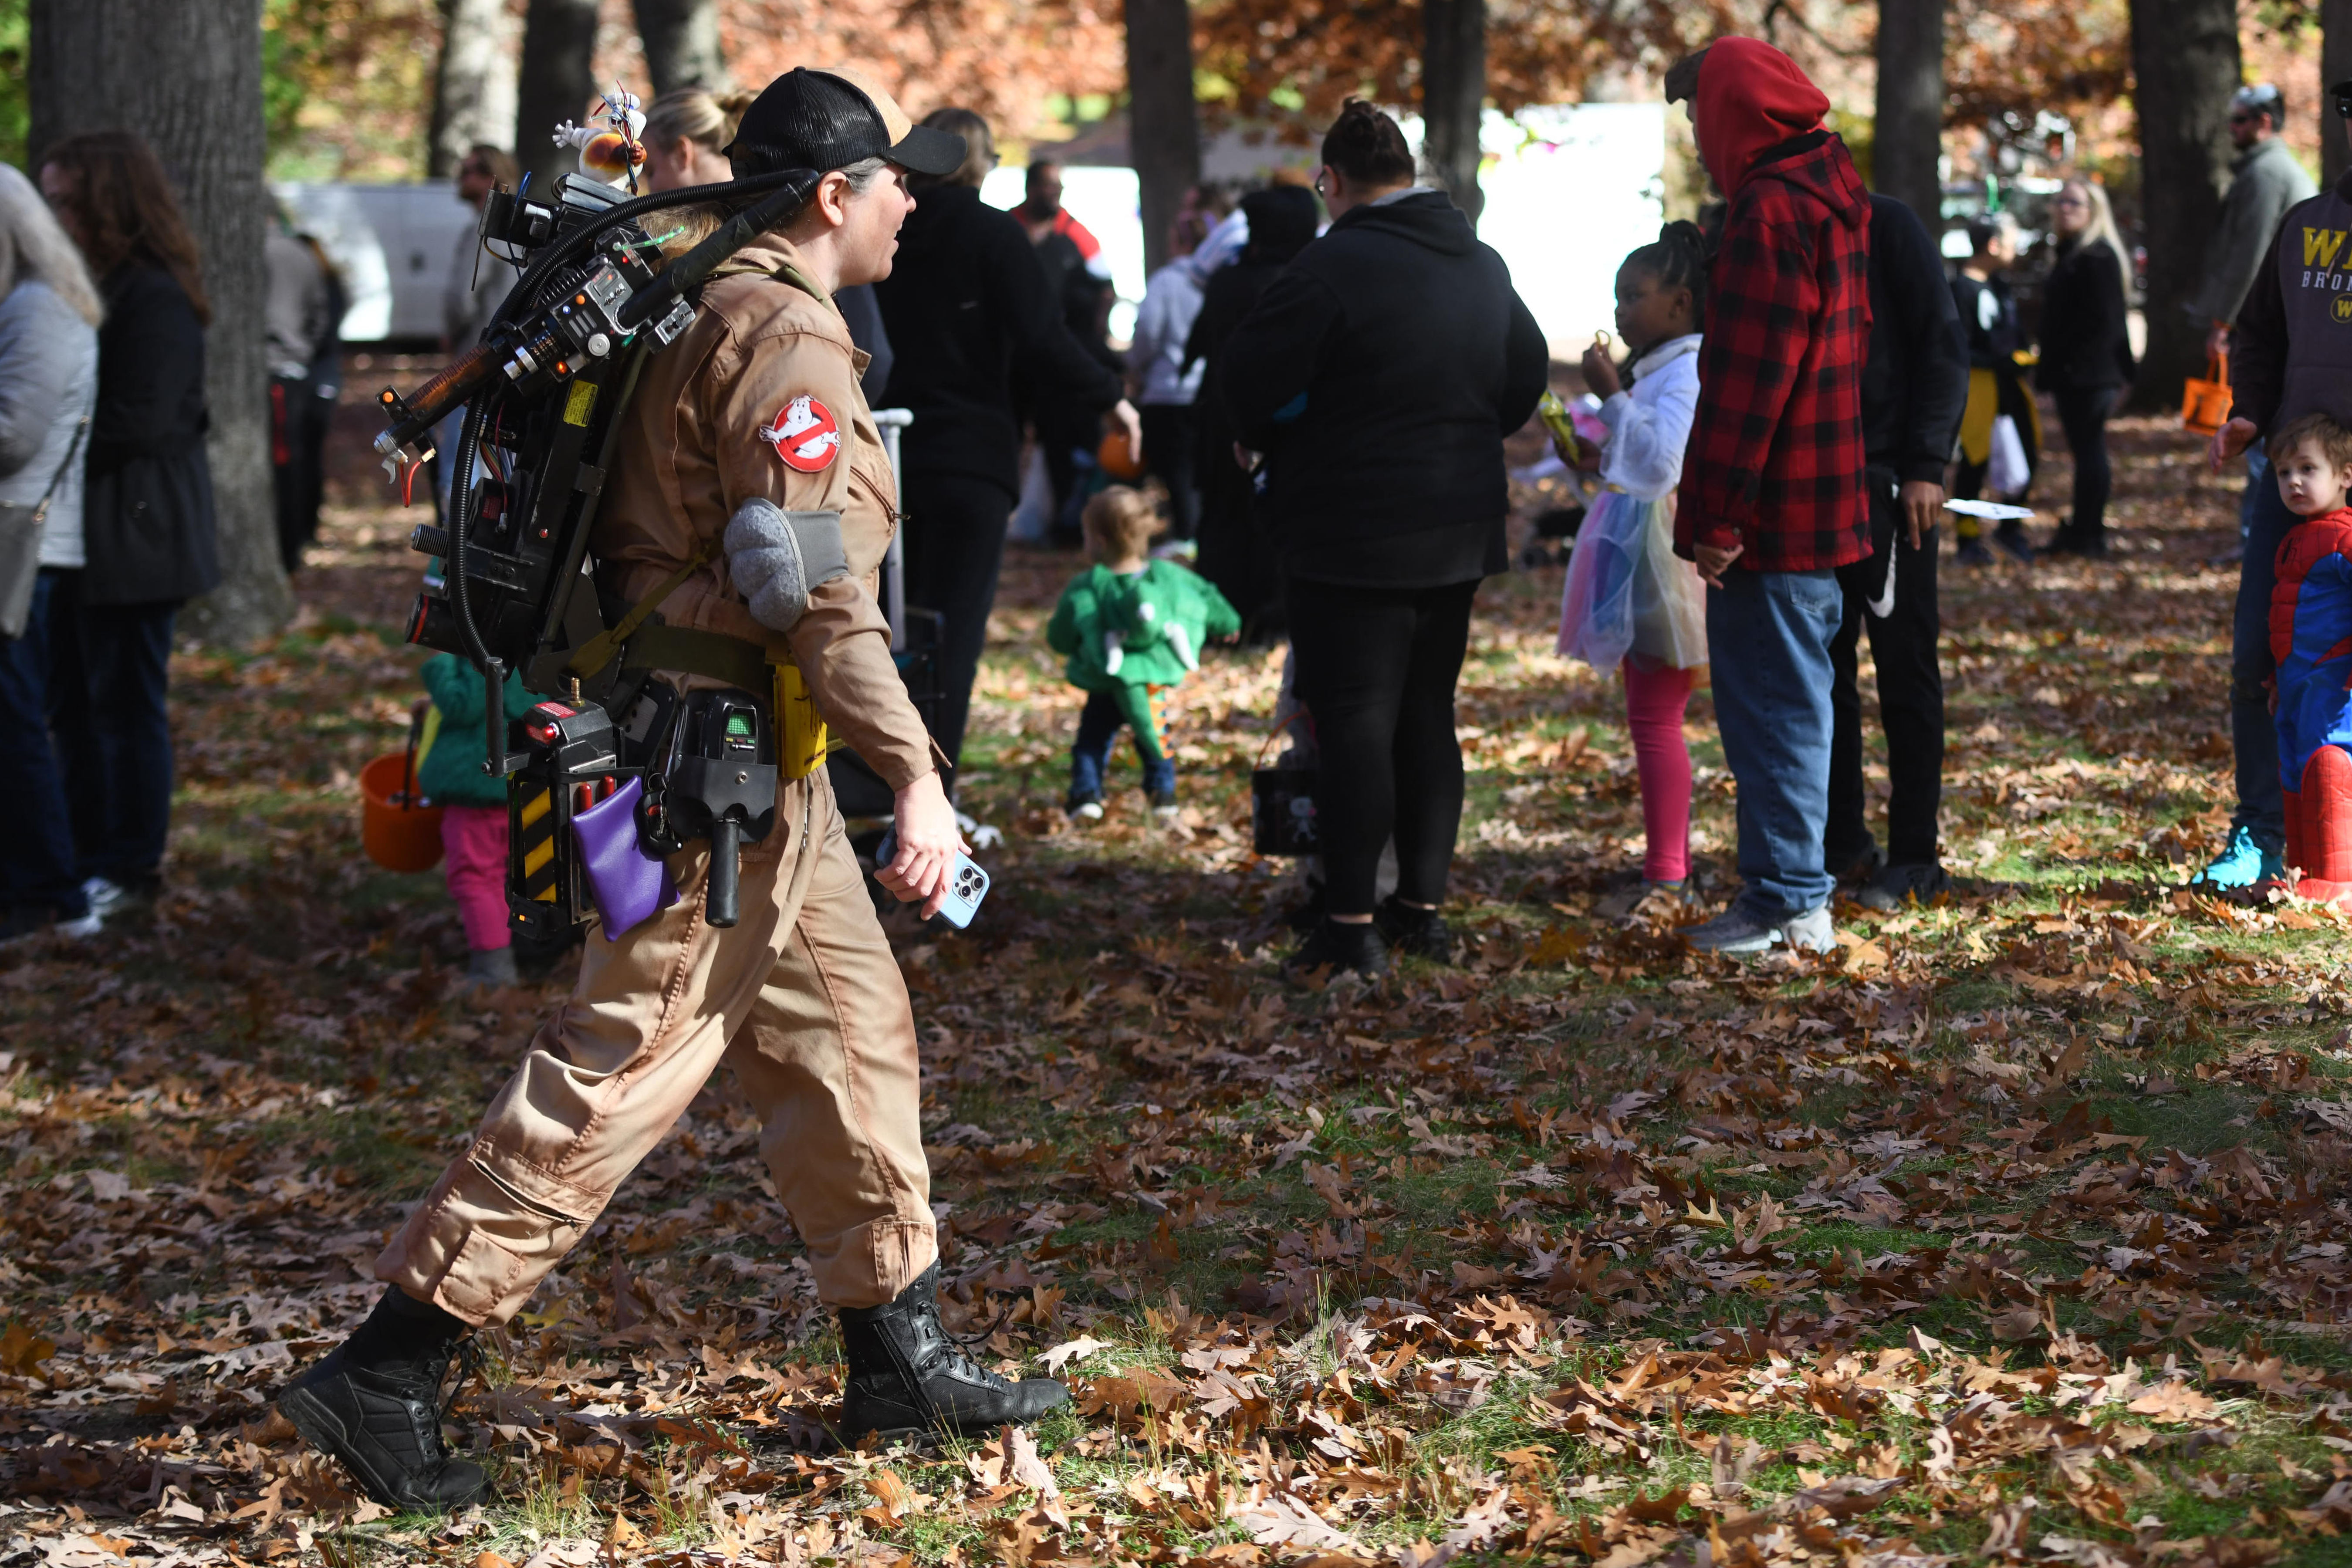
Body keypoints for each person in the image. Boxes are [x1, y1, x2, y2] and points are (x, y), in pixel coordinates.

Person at [277, 68, 1069, 1511]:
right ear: (837, 193)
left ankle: (899, 1357)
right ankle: (389, 1368)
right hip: (720, 776)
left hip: (745, 759)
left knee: (851, 1038)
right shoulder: (786, 341)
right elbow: (821, 600)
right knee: (627, 1064)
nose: (909, 205)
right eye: (897, 181)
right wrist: (920, 778)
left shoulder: (701, 296)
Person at [1222, 100, 1548, 977]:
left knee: (1356, 722)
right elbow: (1523, 372)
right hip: (1458, 516)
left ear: (1330, 182)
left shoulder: (1330, 268)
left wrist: (1280, 435)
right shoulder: (1480, 262)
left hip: (1349, 523)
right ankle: (1423, 912)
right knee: (1428, 715)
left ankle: (1350, 923)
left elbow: (1247, 381)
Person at [1659, 38, 1873, 959]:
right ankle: (1790, 890)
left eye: (1699, 117)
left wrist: (1714, 517)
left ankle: (1788, 899)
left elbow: (1749, 385)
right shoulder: (1830, 189)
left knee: (1776, 709)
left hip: (1773, 515)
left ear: (1732, 113)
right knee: (1797, 703)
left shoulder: (1773, 213)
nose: (1698, 142)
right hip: (1822, 500)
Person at [871, 107, 1137, 779]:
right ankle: (931, 796)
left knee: (880, 634)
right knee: (953, 636)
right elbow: (1045, 340)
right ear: (982, 160)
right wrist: (1112, 398)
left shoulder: (885, 227)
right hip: (970, 456)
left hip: (882, 452)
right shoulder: (995, 236)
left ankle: (875, 788)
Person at [38, 132, 221, 919]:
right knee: (76, 704)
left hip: (138, 531)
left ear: (107, 204)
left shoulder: (152, 296)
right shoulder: (102, 285)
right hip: (96, 529)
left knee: (123, 703)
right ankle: (87, 853)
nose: (55, 217)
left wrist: (48, 426)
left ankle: (130, 864)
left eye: (66, 201)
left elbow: (140, 422)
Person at [2203, 75, 2352, 893]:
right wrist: (2250, 414)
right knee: (2261, 655)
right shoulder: (2308, 228)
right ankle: (2262, 835)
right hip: (2295, 487)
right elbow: (2257, 333)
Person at [1553, 225, 1709, 907]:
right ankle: (1664, 862)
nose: (1620, 312)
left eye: (1633, 297)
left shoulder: (1684, 369)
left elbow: (1663, 464)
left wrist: (1610, 396)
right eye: (1616, 297)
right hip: (1640, 547)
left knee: (1657, 715)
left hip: (1667, 558)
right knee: (1650, 713)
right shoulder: (1662, 367)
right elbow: (1637, 457)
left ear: (1679, 302)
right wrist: (1594, 454)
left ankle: (1669, 871)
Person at [1825, 193, 1969, 910]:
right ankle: (1840, 841)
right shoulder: (1759, 220)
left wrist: (1924, 465)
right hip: (1807, 490)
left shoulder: (1889, 224)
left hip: (1891, 492)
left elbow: (1944, 346)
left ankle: (1914, 852)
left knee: (1904, 669)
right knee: (1823, 673)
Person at [0, 162, 102, 944]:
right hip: (24, 534)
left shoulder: (39, 310)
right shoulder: (38, 304)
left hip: (19, 538)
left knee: (16, 718)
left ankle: (48, 891)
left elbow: (15, 435)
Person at [642, 86, 894, 401]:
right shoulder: (782, 310)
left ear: (683, 153)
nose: (648, 186)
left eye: (650, 170)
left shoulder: (773, 303)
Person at [1048, 486, 1238, 820]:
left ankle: (1086, 796)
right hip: (1151, 681)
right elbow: (1206, 596)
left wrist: (1066, 645)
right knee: (1154, 735)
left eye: (1086, 535)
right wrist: (1228, 623)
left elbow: (1062, 633)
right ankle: (1163, 794)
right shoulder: (1168, 577)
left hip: (1104, 682)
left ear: (1101, 541)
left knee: (1092, 741)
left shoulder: (1089, 585)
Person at [1185, 184, 1320, 638]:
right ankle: (1267, 616)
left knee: (1225, 520)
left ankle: (1222, 616)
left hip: (1223, 417)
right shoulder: (1299, 284)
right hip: (1282, 422)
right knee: (1267, 521)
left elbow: (1198, 345)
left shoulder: (1231, 279)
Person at [2262, 413, 2352, 906]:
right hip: (2296, 681)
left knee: (2327, 764)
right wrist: (2278, 679)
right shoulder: (2294, 538)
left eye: (2308, 469)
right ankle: (2305, 871)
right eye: (2283, 472)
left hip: (2335, 682)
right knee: (2295, 768)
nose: (2294, 481)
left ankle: (2339, 878)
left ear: (2345, 475)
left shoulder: (2344, 537)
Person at [413, 653, 534, 987]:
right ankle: (528, 948)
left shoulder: (480, 659)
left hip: (478, 795)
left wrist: (442, 662)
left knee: (477, 878)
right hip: (523, 790)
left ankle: (493, 972)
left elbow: (460, 703)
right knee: (520, 876)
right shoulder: (532, 662)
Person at [2036, 179, 2135, 558]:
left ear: (2093, 211)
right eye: (2060, 202)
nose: (2065, 209)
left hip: (2091, 375)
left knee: (2091, 451)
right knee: (2085, 452)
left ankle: (2089, 534)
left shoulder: (2098, 257)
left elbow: (2109, 323)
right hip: (2074, 374)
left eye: (2074, 203)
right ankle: (2082, 529)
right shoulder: (2070, 253)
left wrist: (2117, 372)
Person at [1949, 215, 2039, 564]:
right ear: (1993, 245)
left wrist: (2020, 358)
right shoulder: (1961, 290)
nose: (2016, 249)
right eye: (2012, 240)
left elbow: (2011, 334)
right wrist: (1994, 360)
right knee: (1975, 460)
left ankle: (2010, 527)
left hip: (2009, 387)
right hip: (1979, 388)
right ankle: (1967, 538)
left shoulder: (2001, 286)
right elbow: (1959, 344)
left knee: (2028, 450)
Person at [436, 144, 518, 521]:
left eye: (470, 171)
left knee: (460, 467)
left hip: (476, 365)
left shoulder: (488, 224)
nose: (462, 178)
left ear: (491, 177)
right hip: (514, 364)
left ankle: (456, 558)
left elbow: (462, 298)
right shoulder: (521, 223)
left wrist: (450, 330)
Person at [1127, 211, 1211, 544]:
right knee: (1199, 469)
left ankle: (1186, 536)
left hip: (1168, 389)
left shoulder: (1167, 281)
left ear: (1178, 241)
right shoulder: (1217, 279)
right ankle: (1194, 533)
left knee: (1176, 472)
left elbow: (1148, 331)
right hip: (1206, 391)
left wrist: (1137, 366)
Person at [264, 218, 341, 572]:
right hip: (291, 367)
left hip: (276, 366)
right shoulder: (300, 254)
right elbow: (322, 313)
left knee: (285, 463)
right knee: (294, 460)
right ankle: (293, 542)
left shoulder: (266, 254)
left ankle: (288, 548)